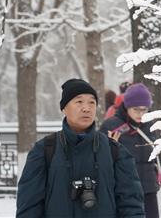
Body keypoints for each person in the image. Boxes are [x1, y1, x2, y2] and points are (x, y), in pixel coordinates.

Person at [16, 78, 145, 218]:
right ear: (64, 108)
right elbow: (29, 206)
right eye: (79, 102)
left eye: (92, 102)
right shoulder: (45, 150)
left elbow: (131, 205)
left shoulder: (115, 151)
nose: (86, 108)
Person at [99, 83, 161, 218]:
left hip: (149, 189)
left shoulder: (149, 125)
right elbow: (100, 158)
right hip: (124, 191)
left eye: (144, 109)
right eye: (136, 109)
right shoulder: (111, 126)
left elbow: (155, 154)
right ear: (127, 106)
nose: (141, 114)